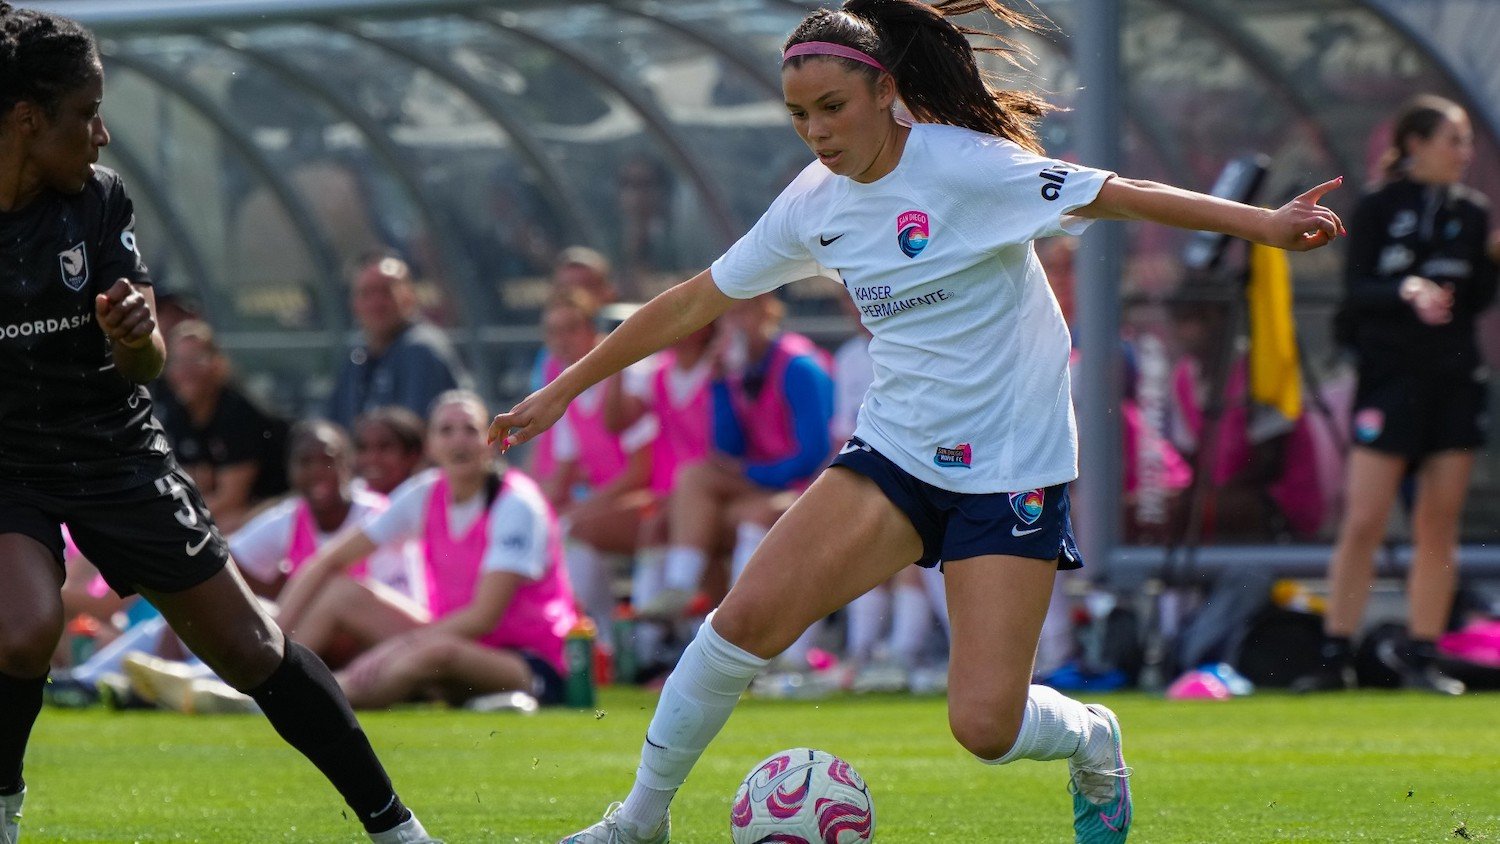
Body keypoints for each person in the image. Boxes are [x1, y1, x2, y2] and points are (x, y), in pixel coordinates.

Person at [492, 3, 1343, 842]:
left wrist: (1262, 226)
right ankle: (638, 822)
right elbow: (693, 301)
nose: (817, 131)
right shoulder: (812, 204)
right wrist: (565, 387)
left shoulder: (967, 165)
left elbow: (1123, 195)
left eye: (833, 108)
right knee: (741, 623)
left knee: (985, 727)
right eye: (799, 115)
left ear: (884, 92)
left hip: (1012, 466)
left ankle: (1092, 736)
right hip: (898, 453)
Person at [0, 6, 436, 841]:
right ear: (26, 119)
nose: (101, 134)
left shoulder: (97, 202)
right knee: (22, 632)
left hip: (111, 443)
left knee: (248, 646)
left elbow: (150, 364)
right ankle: (3, 809)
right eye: (86, 113)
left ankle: (396, 827)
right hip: (7, 459)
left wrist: (135, 334)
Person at [1294, 95, 1496, 696]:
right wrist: (1406, 288)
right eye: (1452, 140)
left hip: (1454, 381)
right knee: (1366, 518)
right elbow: (1358, 290)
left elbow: (1478, 299)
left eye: (1466, 140)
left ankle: (1424, 655)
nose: (1465, 152)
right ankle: (1336, 652)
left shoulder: (1475, 212)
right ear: (1415, 144)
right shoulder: (1379, 206)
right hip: (1390, 380)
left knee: (1439, 520)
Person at [278, 391, 577, 711]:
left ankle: (297, 701)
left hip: (531, 664)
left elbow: (483, 617)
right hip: (452, 641)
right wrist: (270, 639)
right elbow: (329, 560)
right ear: (430, 446)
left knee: (432, 652)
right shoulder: (426, 492)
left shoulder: (516, 502)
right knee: (341, 593)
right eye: (446, 430)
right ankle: (271, 680)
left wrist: (396, 646)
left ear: (494, 440)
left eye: (471, 429)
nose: (459, 441)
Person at [154, 320, 291, 533]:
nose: (186, 371)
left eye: (196, 360)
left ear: (218, 364)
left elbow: (231, 499)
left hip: (277, 502)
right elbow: (188, 485)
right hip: (232, 507)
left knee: (212, 533)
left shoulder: (237, 413)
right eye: (178, 361)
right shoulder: (175, 412)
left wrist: (169, 520)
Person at [326, 250, 472, 430]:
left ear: (410, 297)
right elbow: (335, 428)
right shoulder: (357, 355)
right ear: (353, 303)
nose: (376, 304)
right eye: (366, 293)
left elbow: (412, 438)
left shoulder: (421, 350)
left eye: (386, 292)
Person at [352, 405, 428, 497]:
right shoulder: (349, 504)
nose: (372, 458)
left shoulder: (429, 501)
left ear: (413, 454)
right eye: (363, 448)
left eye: (384, 447)